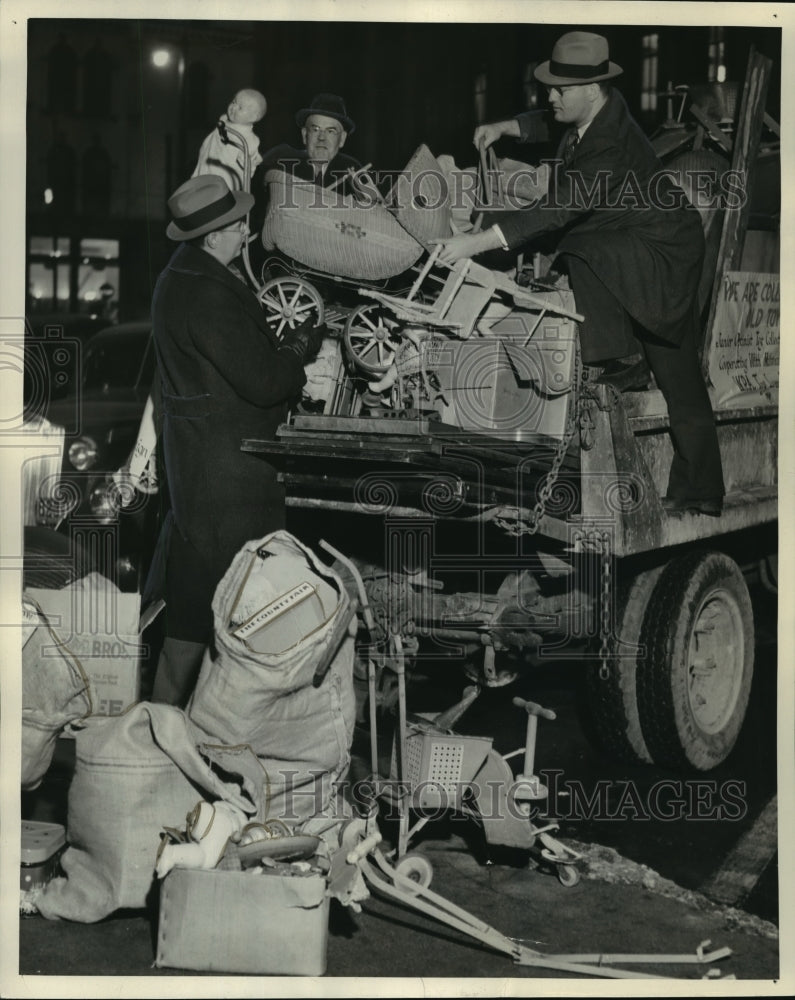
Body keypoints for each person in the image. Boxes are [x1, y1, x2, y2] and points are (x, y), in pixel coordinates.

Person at [434, 31, 724, 517]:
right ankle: (619, 355)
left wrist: (473, 243)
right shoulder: (595, 110)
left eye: (558, 89)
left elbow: (554, 210)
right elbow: (552, 124)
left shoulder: (609, 144)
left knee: (677, 371)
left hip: (662, 251)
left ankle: (696, 481)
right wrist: (505, 126)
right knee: (583, 247)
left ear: (591, 89)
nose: (550, 96)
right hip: (631, 237)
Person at [149, 174, 325, 705]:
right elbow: (265, 383)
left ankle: (155, 737)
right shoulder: (207, 294)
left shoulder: (176, 279)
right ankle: (218, 743)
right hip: (230, 484)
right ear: (214, 235)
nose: (245, 231)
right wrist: (300, 347)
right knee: (246, 626)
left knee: (186, 623)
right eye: (237, 224)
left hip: (195, 479)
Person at [260, 92, 361, 191]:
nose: (322, 137)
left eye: (330, 131)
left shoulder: (354, 171)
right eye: (315, 129)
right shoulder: (280, 162)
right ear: (304, 135)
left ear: (342, 139)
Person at [192, 88, 267, 191]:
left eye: (240, 107)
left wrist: (250, 160)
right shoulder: (224, 121)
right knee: (198, 196)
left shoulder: (249, 140)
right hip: (205, 168)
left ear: (253, 117)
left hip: (222, 180)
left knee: (216, 199)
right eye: (234, 102)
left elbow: (250, 165)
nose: (233, 107)